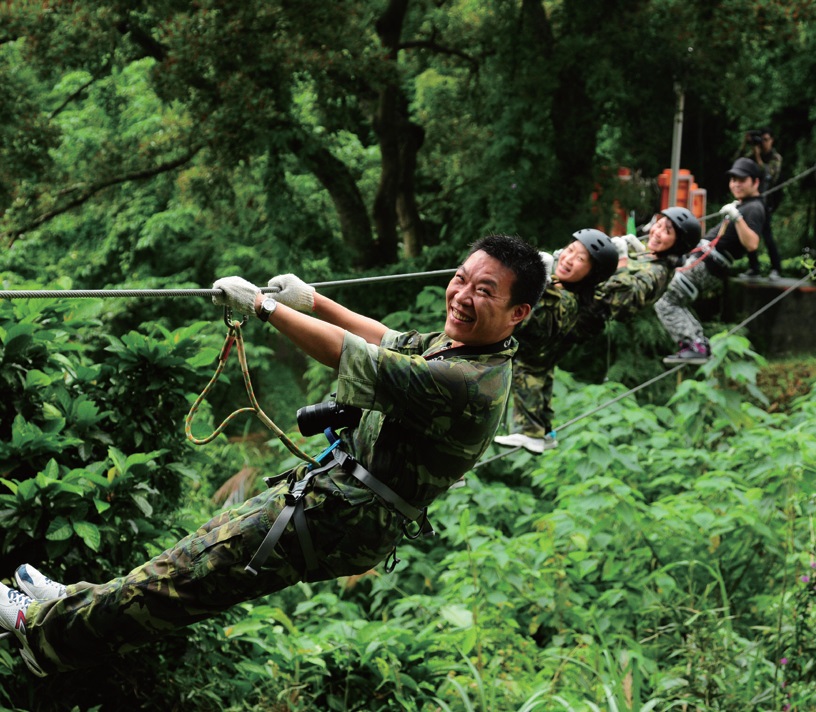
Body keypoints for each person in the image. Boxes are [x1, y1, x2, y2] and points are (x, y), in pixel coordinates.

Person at [0, 234, 547, 676]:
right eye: (460, 278)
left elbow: (355, 356)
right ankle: (73, 606)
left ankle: (46, 633)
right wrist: (314, 301)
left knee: (190, 576)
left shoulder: (468, 382)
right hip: (333, 496)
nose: (462, 295)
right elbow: (387, 339)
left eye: (484, 291)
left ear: (517, 312)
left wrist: (265, 308)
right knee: (195, 552)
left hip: (341, 517)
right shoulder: (466, 346)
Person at [494, 209, 701, 454]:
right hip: (582, 311)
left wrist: (622, 260)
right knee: (540, 365)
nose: (656, 231)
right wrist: (628, 252)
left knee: (531, 363)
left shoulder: (658, 270)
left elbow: (625, 299)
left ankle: (532, 432)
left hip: (582, 317)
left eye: (667, 231)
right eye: (659, 224)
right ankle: (542, 430)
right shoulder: (652, 257)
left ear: (679, 243)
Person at [493, 229, 618, 454]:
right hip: (545, 353)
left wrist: (540, 279)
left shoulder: (567, 298)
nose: (569, 259)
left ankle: (531, 433)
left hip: (534, 350)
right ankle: (545, 431)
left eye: (580, 259)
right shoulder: (569, 291)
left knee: (527, 377)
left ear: (592, 274)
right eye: (570, 250)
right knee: (542, 379)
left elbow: (531, 318)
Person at [655, 157, 763, 364]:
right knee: (672, 299)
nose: (736, 184)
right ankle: (697, 343)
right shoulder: (745, 205)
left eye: (742, 180)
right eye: (733, 180)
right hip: (704, 260)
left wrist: (737, 218)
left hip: (708, 264)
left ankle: (693, 345)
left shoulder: (754, 208)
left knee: (665, 300)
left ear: (756, 182)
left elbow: (752, 244)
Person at [739, 127, 783, 280]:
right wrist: (746, 144)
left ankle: (776, 268)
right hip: (750, 201)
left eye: (766, 140)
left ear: (771, 140)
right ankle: (754, 268)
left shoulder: (775, 157)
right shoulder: (752, 154)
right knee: (750, 233)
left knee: (767, 235)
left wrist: (758, 156)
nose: (763, 143)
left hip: (766, 202)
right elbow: (739, 164)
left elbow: (768, 174)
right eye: (761, 140)